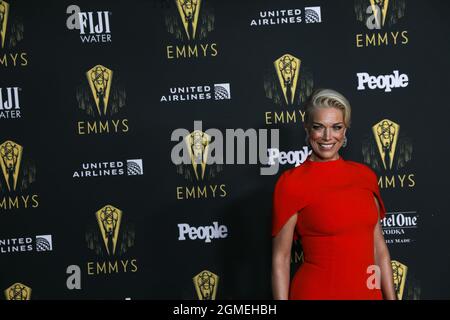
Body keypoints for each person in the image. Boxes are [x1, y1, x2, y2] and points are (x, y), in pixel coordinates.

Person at [271, 88, 397, 300]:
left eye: (336, 127)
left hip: (367, 293)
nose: (328, 137)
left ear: (345, 130)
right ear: (307, 129)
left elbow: (379, 248)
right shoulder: (291, 182)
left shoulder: (365, 176)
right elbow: (280, 259)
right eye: (318, 128)